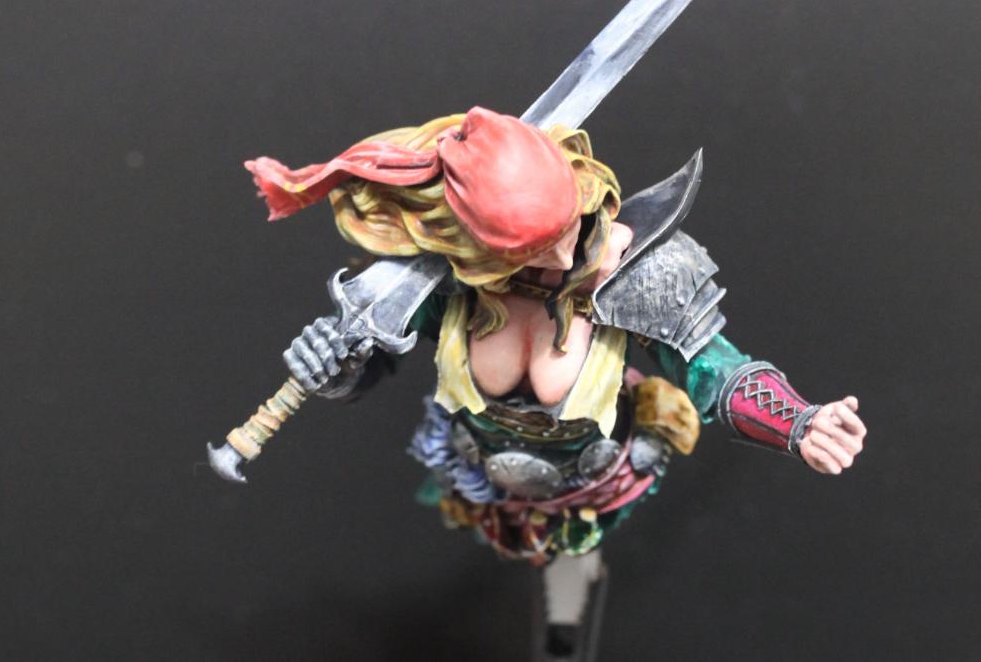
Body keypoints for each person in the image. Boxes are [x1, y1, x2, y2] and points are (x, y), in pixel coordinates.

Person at [245, 105, 867, 660]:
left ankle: (567, 610)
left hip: (588, 473)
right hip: (482, 465)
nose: (568, 258)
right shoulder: (446, 284)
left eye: (569, 231)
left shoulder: (631, 270)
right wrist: (332, 365)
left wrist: (798, 422)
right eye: (537, 250)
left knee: (573, 554)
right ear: (480, 251)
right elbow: (373, 362)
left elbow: (712, 368)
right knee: (527, 549)